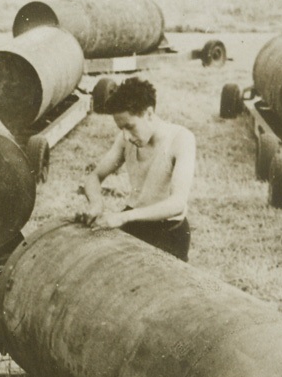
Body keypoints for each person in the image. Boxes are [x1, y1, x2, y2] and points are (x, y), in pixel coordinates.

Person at [78, 77, 196, 261]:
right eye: (121, 128)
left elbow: (177, 203)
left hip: (169, 231)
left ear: (149, 114)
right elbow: (95, 176)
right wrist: (96, 204)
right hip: (135, 222)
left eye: (130, 127)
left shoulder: (181, 139)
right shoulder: (125, 139)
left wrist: (123, 217)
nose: (125, 136)